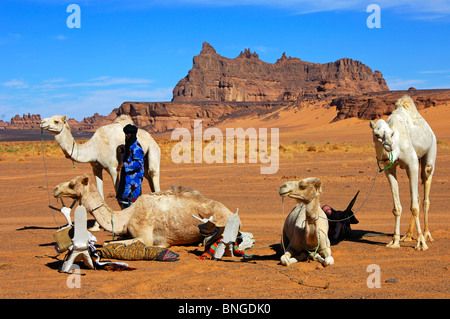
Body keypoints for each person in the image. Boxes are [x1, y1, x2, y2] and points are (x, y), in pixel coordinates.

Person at [116, 124, 144, 208]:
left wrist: (125, 164)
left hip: (134, 180)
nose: (126, 136)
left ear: (132, 134)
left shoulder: (136, 148)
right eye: (125, 133)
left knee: (132, 204)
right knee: (125, 201)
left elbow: (138, 163)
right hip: (127, 179)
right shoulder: (129, 146)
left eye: (128, 134)